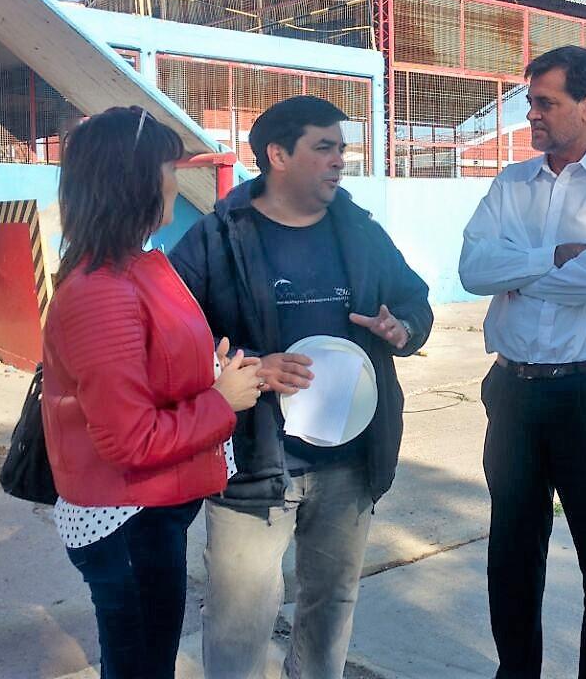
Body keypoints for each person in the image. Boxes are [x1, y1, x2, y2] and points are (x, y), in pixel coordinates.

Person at [169, 95, 433, 679]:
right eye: (325, 147)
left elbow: (415, 299)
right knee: (239, 618)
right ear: (278, 155)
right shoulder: (218, 238)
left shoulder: (360, 232)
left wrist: (402, 327)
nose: (340, 160)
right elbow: (171, 338)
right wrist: (248, 366)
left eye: (342, 148)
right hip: (253, 464)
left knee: (331, 604)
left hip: (351, 461)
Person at [41, 106, 263, 679]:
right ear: (134, 179)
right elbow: (129, 439)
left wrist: (212, 373)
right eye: (168, 168)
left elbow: (147, 369)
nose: (174, 181)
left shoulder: (130, 268)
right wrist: (222, 402)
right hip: (127, 520)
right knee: (141, 665)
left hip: (148, 510)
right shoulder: (100, 291)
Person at [458, 45, 586, 678]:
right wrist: (554, 257)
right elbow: (472, 270)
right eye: (530, 102)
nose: (532, 115)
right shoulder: (510, 183)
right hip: (514, 392)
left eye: (546, 102)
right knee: (512, 554)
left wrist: (519, 273)